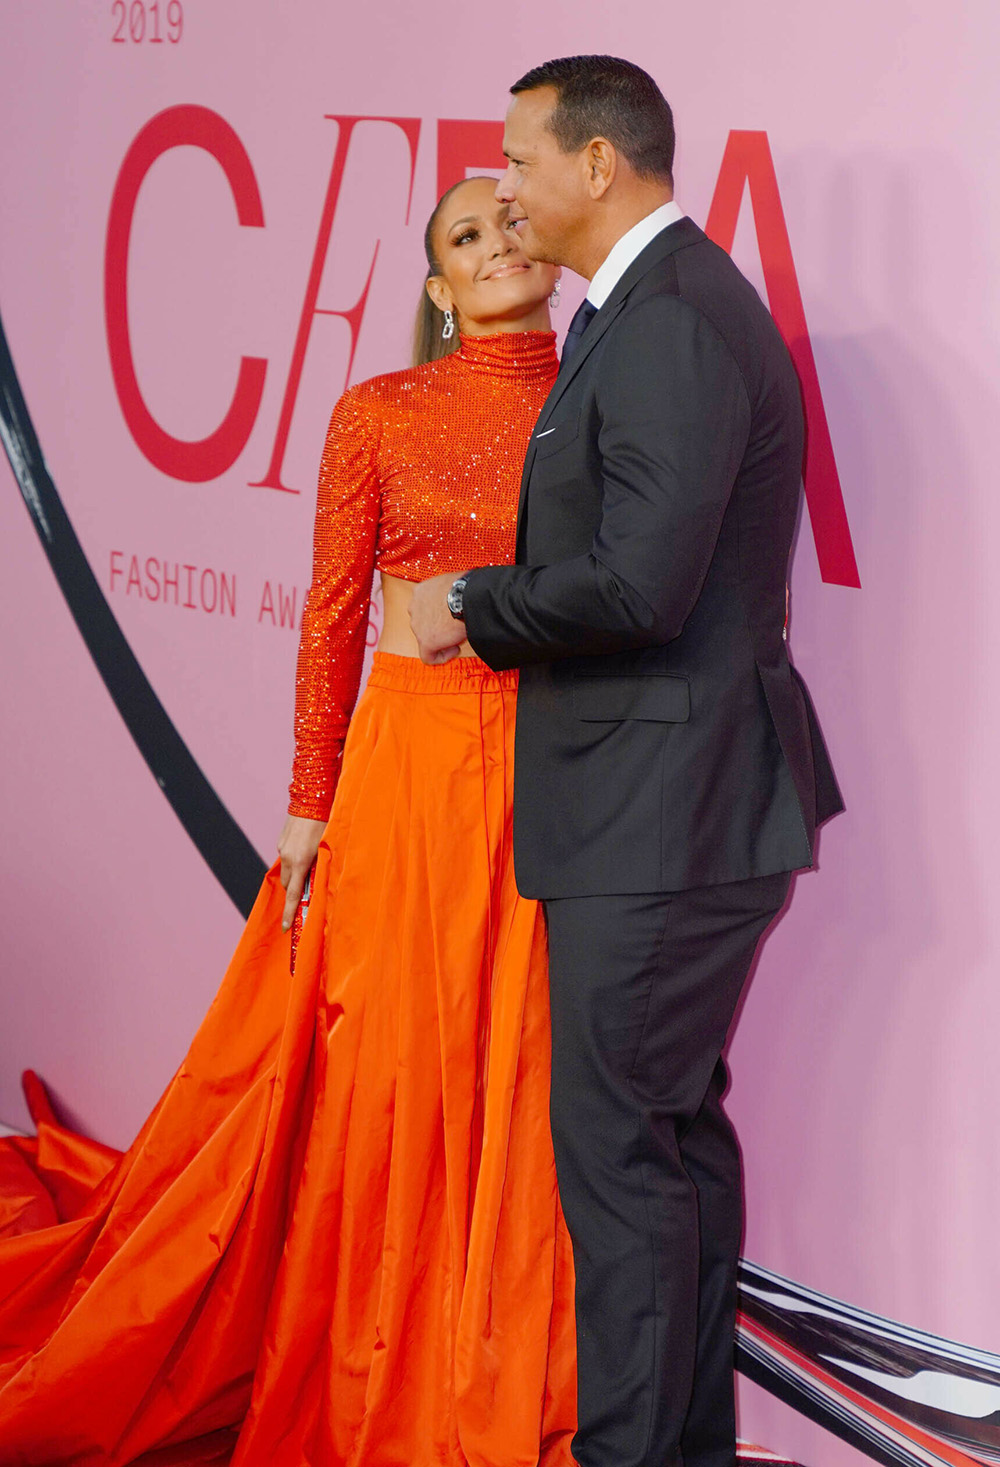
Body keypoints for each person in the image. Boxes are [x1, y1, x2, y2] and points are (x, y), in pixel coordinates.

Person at [0, 177, 576, 1467]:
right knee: (394, 1062)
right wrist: (309, 805)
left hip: (556, 766)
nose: (492, 247)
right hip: (409, 769)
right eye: (463, 240)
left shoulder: (595, 401)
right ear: (438, 289)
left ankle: (502, 1357)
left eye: (506, 223)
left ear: (556, 242)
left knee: (522, 1066)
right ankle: (376, 1343)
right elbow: (330, 617)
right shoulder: (377, 411)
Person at [410, 56, 844, 1467]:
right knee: (671, 1146)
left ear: (598, 166)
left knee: (620, 1169)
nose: (509, 193)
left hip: (667, 818)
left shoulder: (666, 322)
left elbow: (639, 585)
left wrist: (473, 605)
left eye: (522, 164)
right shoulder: (656, 307)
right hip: (684, 808)